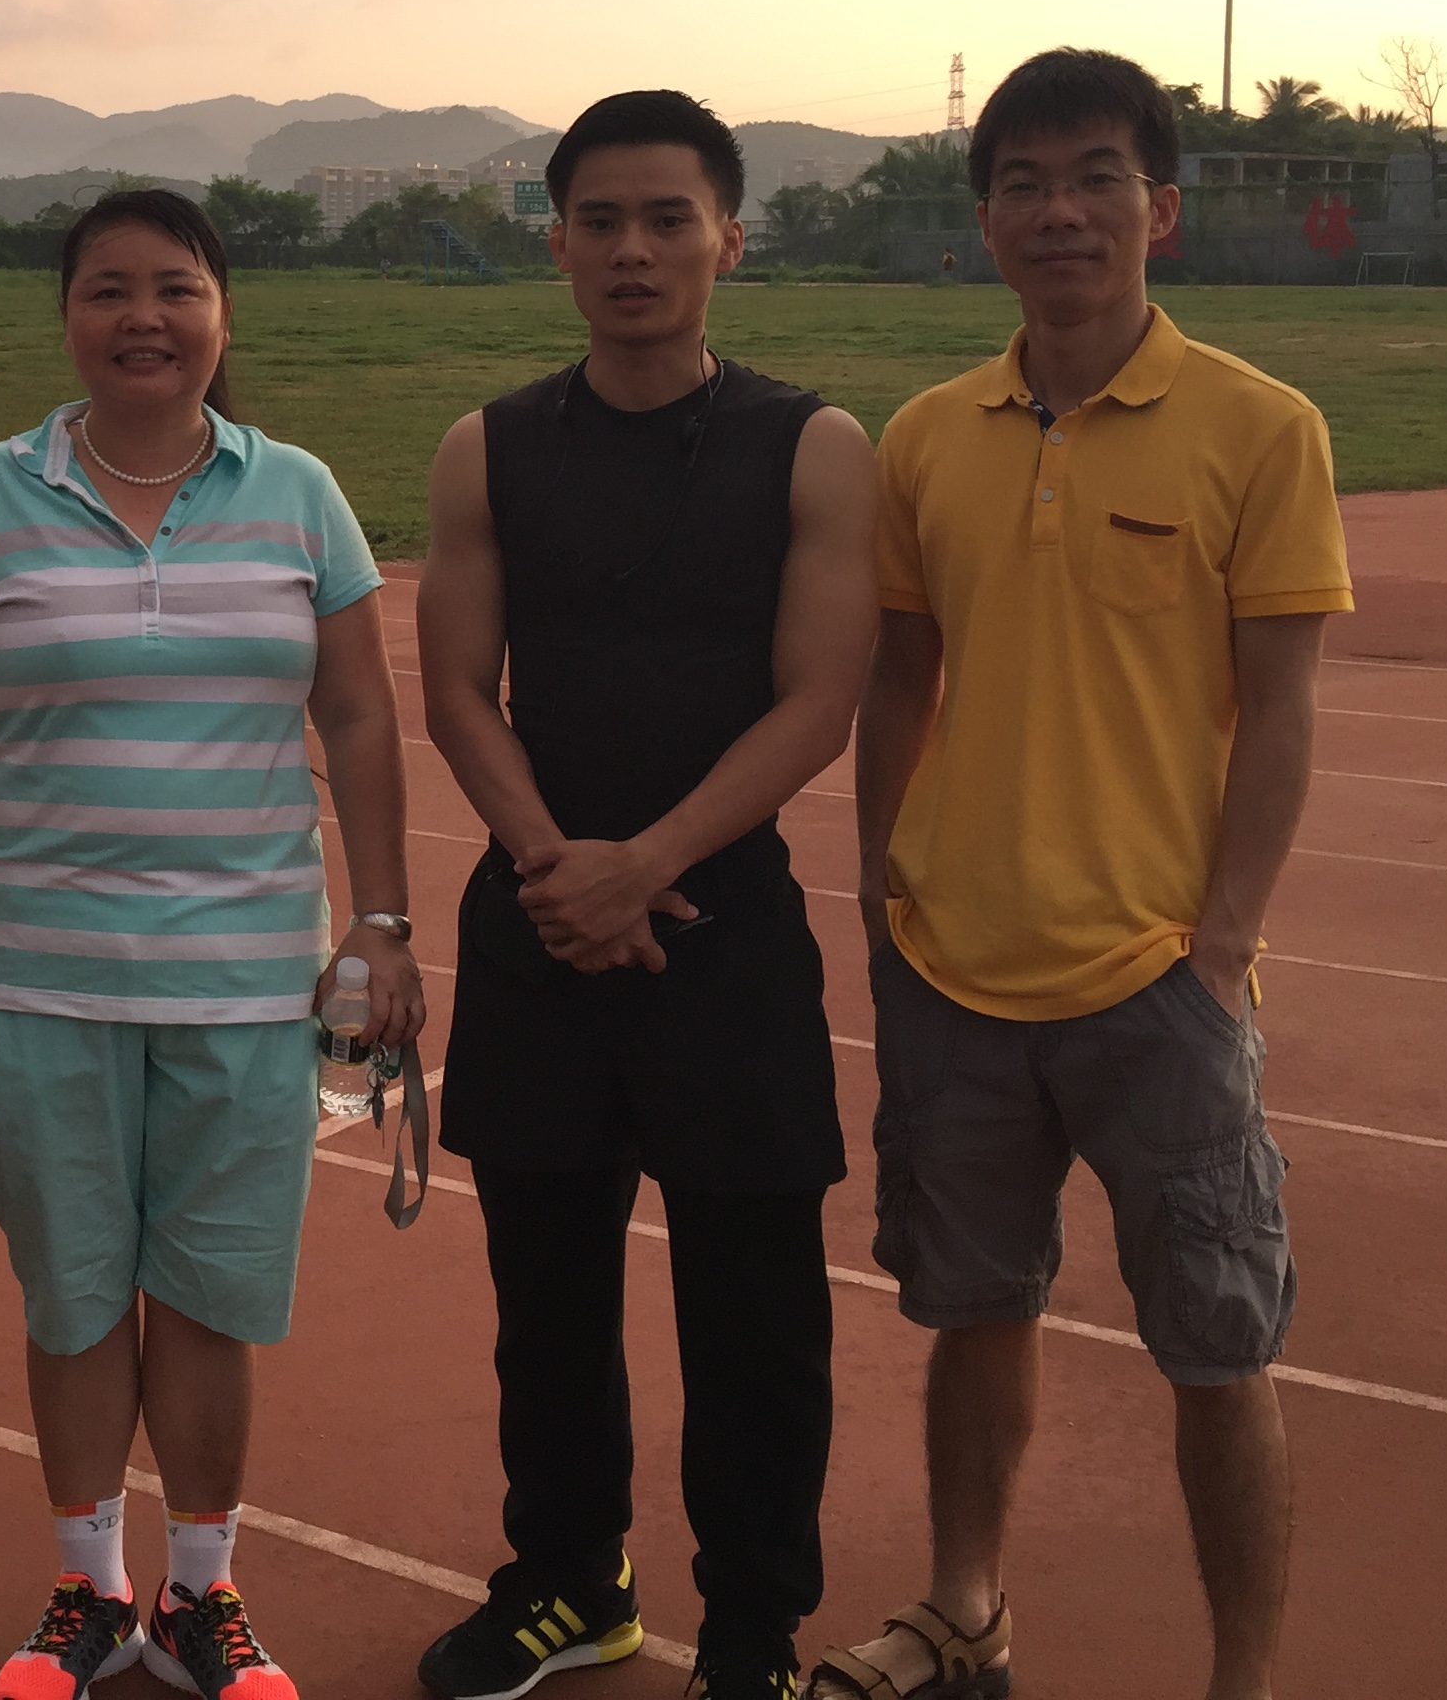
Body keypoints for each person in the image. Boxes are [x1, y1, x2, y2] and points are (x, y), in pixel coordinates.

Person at [811, 50, 1350, 1700]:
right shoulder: (927, 437)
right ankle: (963, 1610)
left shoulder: (1261, 429)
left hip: (1157, 977)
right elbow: (901, 676)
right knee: (972, 1310)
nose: (1061, 212)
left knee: (1218, 1345)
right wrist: (882, 886)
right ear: (986, 220)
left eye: (1097, 177)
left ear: (1160, 210)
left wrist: (1222, 943)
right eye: (1025, 184)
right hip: (954, 968)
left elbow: (1281, 710)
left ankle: (1241, 1677)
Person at [0, 189, 421, 1700]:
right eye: (107, 290)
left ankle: (199, 1595)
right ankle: (89, 1590)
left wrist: (381, 922)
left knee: (208, 1298)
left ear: (221, 313)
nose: (143, 319)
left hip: (245, 983)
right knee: (72, 1297)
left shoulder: (298, 493)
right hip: (36, 977)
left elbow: (359, 713)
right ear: (66, 316)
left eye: (175, 288)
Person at [412, 91, 879, 1700]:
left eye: (668, 218)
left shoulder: (813, 446)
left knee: (755, 1311)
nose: (633, 250)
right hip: (540, 926)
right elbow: (458, 689)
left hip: (722, 930)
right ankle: (568, 1582)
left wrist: (648, 863)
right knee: (544, 1299)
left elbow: (819, 701)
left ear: (728, 240)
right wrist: (559, 869)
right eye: (599, 221)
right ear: (556, 244)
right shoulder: (489, 446)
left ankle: (751, 1634)